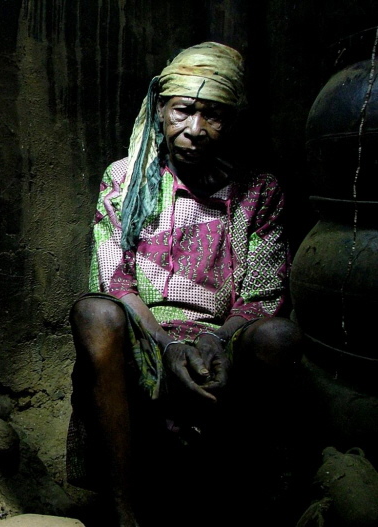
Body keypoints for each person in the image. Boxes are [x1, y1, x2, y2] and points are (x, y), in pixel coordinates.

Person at [67, 42, 304, 527]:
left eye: (213, 115)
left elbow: (260, 295)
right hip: (147, 335)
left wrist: (215, 338)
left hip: (224, 337)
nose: (195, 130)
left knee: (280, 336)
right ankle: (124, 509)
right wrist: (165, 344)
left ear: (232, 121)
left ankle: (249, 504)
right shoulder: (125, 180)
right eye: (183, 111)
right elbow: (113, 279)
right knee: (94, 313)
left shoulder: (258, 189)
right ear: (160, 108)